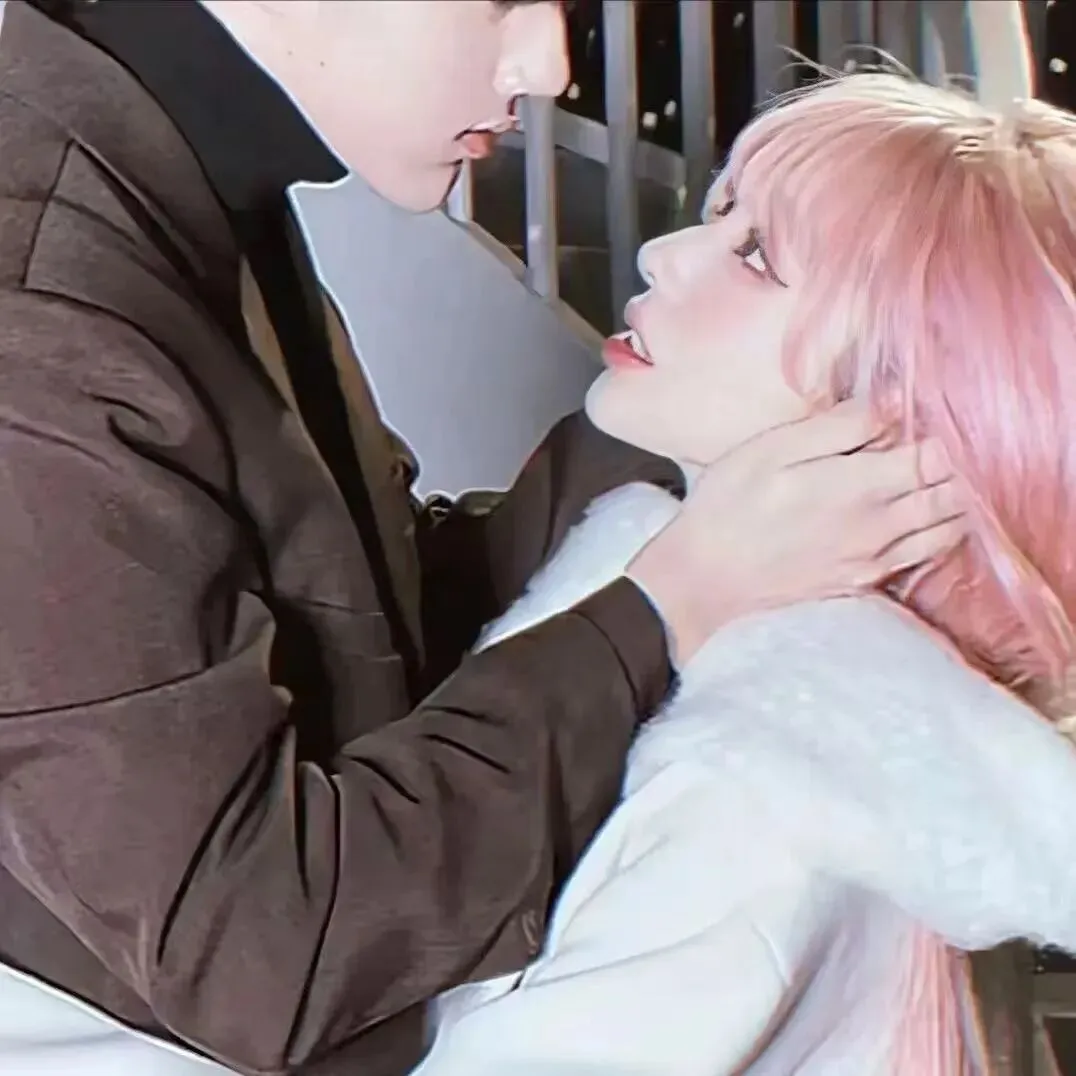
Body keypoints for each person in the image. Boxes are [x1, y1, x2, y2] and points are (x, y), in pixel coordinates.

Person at [0, 3, 964, 1075]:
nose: (549, 67)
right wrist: (668, 604)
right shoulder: (42, 309)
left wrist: (691, 458)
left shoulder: (172, 177)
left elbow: (349, 631)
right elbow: (258, 953)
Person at [409, 70, 1076, 1076]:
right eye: (718, 216)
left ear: (905, 399)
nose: (662, 254)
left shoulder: (758, 791)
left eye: (757, 255)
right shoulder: (893, 747)